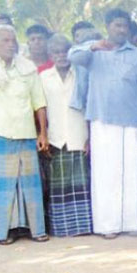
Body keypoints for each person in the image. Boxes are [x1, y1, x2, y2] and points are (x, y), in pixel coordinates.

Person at [69, 8, 137, 239]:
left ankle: (130, 222)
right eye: (117, 25)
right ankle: (107, 225)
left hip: (131, 121)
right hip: (102, 120)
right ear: (108, 26)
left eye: (124, 26)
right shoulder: (94, 52)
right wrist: (92, 46)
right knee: (106, 172)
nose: (121, 30)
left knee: (129, 172)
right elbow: (72, 56)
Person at [0, 24, 49, 244]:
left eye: (13, 40)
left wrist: (43, 134)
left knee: (30, 184)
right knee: (3, 187)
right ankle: (4, 233)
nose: (11, 45)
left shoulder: (27, 67)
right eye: (5, 41)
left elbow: (39, 102)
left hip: (26, 132)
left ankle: (36, 230)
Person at [40, 34, 92, 237]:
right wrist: (42, 133)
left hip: (79, 134)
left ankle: (82, 227)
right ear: (50, 55)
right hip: (56, 137)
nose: (61, 56)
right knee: (59, 186)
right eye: (56, 52)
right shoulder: (44, 78)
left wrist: (90, 137)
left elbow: (88, 105)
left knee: (81, 184)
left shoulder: (81, 74)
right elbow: (40, 107)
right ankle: (62, 229)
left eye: (64, 51)